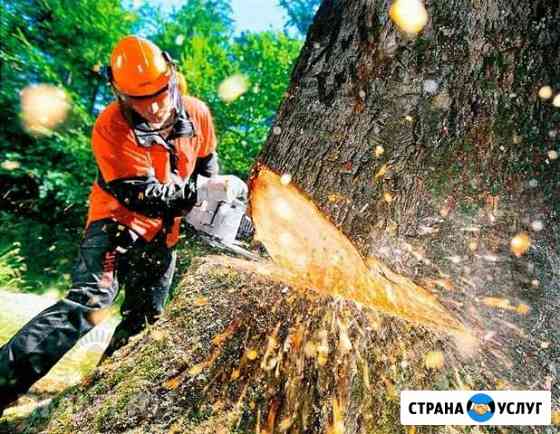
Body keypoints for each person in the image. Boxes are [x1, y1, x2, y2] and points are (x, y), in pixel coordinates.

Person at [0, 35, 242, 414]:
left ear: (172, 76)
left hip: (164, 237)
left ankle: (93, 407)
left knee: (144, 323)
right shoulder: (111, 127)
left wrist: (213, 198)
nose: (157, 106)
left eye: (162, 93)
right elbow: (141, 196)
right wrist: (199, 191)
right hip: (114, 228)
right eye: (142, 100)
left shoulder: (197, 114)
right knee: (89, 302)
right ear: (122, 94)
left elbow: (208, 166)